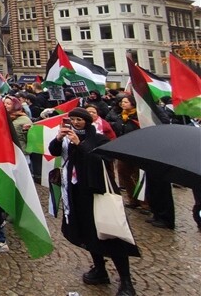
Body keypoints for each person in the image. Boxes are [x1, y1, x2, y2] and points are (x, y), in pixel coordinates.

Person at [48, 108, 139, 296]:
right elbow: (53, 151)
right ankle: (99, 269)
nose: (75, 122)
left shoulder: (99, 139)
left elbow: (103, 161)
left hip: (98, 194)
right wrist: (58, 138)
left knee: (112, 236)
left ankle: (126, 281)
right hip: (76, 193)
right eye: (72, 119)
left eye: (79, 119)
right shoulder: (66, 137)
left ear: (87, 121)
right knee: (87, 234)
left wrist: (79, 144)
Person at [108, 96, 142, 208]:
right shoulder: (120, 116)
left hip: (137, 149)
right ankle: (132, 198)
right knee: (123, 173)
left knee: (138, 175)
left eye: (126, 102)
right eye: (122, 102)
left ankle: (144, 202)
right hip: (123, 149)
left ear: (132, 104)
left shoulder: (138, 116)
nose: (123, 104)